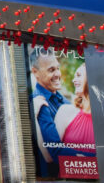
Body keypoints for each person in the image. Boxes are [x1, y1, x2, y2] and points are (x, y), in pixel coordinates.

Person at [30, 49, 81, 177]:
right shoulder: (39, 102)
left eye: (57, 68)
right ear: (35, 72)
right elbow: (55, 151)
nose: (58, 74)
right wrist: (89, 157)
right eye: (51, 70)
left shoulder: (64, 101)